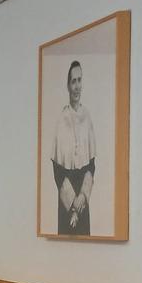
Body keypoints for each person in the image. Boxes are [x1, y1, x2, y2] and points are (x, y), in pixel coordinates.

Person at [51, 60, 96, 235]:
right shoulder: (61, 119)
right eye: (73, 81)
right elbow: (57, 169)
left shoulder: (88, 117)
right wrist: (72, 205)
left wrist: (82, 199)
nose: (77, 86)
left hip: (83, 201)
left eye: (80, 80)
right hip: (66, 201)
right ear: (68, 85)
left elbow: (91, 164)